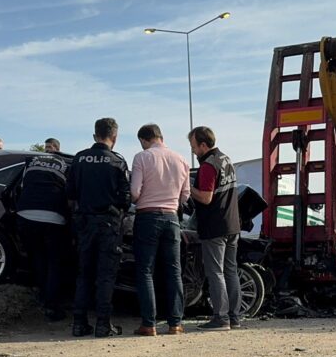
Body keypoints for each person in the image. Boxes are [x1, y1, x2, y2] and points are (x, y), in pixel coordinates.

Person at [66, 118, 131, 338]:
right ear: (114, 136)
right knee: (105, 275)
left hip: (84, 223)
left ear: (95, 135)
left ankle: (79, 324)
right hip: (108, 224)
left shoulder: (79, 158)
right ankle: (103, 325)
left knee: (84, 273)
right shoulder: (117, 162)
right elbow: (126, 198)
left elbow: (70, 193)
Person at [130, 123, 190, 337]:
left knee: (145, 270)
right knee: (174, 270)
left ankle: (149, 323)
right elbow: (185, 196)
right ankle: (175, 323)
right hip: (172, 218)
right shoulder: (181, 159)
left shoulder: (142, 157)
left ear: (144, 140)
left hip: (147, 216)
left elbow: (135, 192)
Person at [188, 126, 241, 330]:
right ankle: (234, 317)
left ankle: (221, 318)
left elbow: (206, 197)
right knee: (230, 270)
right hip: (232, 224)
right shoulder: (226, 160)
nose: (193, 151)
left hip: (214, 227)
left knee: (215, 272)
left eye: (194, 146)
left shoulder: (208, 165)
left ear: (203, 144)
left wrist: (187, 187)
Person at [16, 153, 70, 322]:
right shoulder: (65, 165)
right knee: (54, 262)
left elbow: (22, 186)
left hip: (26, 214)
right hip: (53, 216)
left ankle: (40, 296)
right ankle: (51, 305)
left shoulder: (31, 162)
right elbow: (70, 192)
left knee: (38, 256)